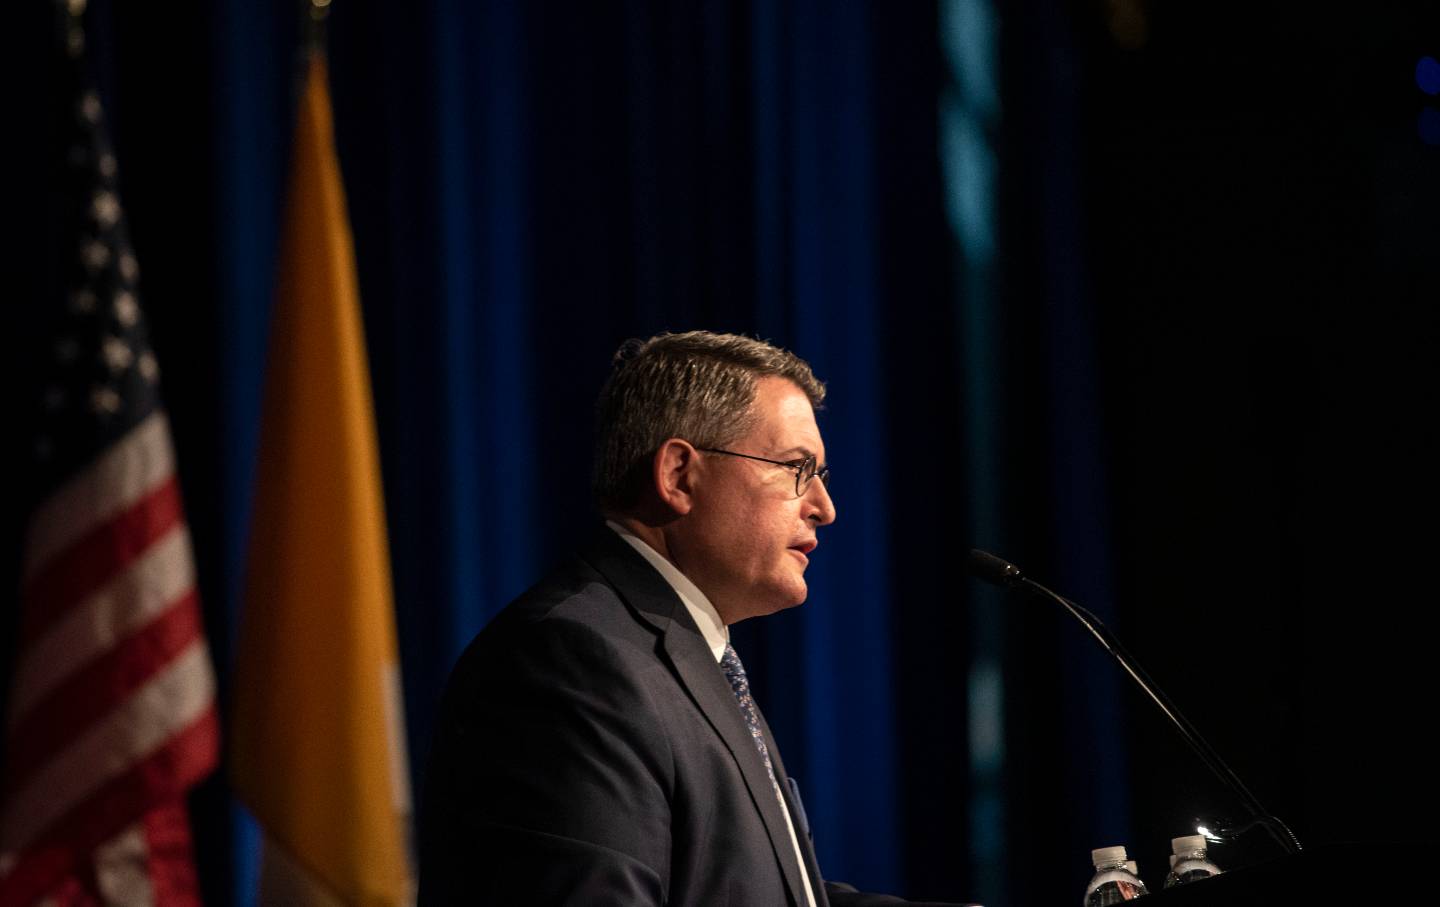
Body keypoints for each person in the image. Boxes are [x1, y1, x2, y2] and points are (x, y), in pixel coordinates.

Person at [418, 331, 966, 906]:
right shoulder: (572, 662)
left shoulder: (686, 652)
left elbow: (752, 889)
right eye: (796, 468)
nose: (825, 508)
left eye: (821, 476)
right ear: (679, 474)